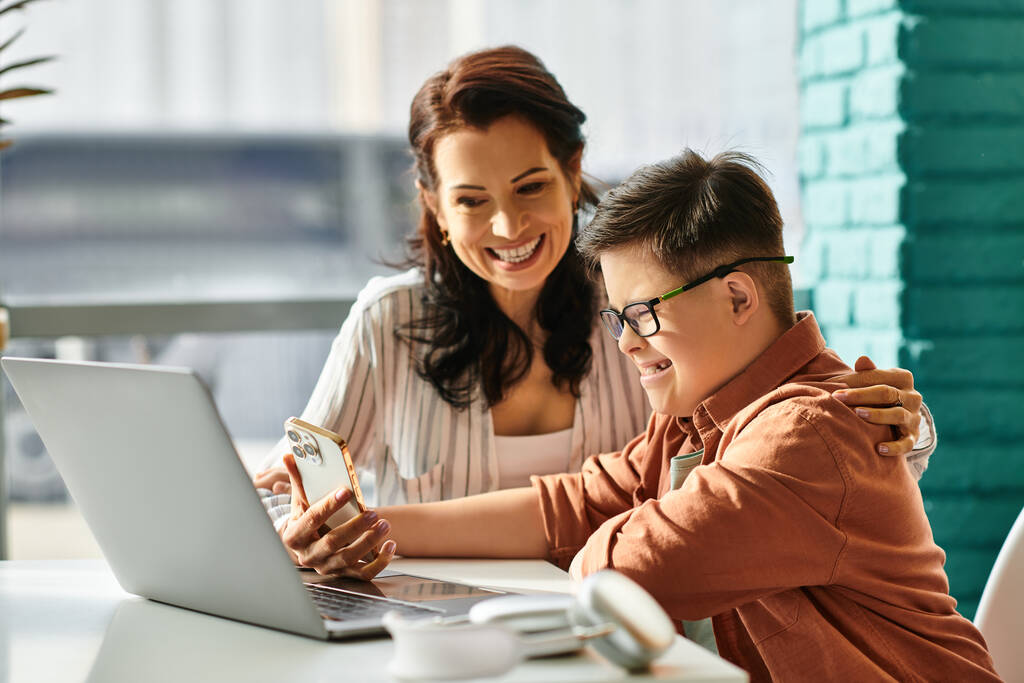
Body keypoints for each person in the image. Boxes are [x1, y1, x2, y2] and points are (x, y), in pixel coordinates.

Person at [257, 46, 935, 579]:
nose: (507, 224)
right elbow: (282, 494)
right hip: (440, 628)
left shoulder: (647, 310)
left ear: (573, 170)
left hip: (613, 627)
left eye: (530, 187)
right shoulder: (387, 321)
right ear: (434, 205)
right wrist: (317, 531)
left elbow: (789, 418)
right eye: (470, 200)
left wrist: (906, 430)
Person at [339, 149, 996, 680]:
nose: (625, 343)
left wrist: (634, 526)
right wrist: (368, 527)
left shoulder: (807, 432)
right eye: (618, 317)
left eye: (644, 315)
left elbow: (622, 570)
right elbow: (568, 508)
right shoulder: (693, 421)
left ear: (738, 295)